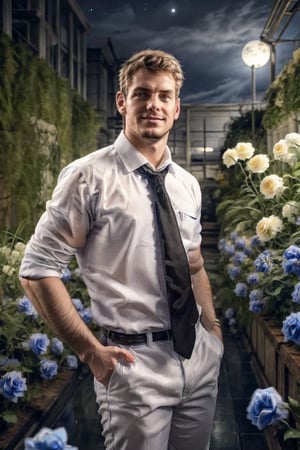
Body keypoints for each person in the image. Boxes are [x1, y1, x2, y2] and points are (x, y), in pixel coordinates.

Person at [19, 49, 223, 450]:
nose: (154, 104)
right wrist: (91, 352)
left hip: (197, 361)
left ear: (177, 108)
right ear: (122, 101)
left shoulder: (187, 184)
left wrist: (212, 330)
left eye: (164, 96)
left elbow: (194, 264)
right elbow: (36, 269)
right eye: (142, 93)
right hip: (134, 367)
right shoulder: (88, 177)